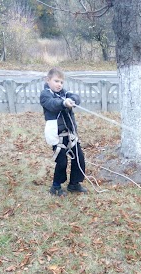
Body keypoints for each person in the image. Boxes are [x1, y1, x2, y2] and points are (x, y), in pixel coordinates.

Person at [40, 67, 87, 196]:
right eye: (56, 81)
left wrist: (73, 100)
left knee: (79, 158)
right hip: (56, 134)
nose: (59, 84)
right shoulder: (45, 95)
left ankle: (74, 184)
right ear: (48, 80)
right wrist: (63, 103)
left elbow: (75, 97)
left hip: (70, 133)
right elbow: (52, 104)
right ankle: (55, 187)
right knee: (61, 161)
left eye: (61, 82)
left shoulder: (64, 93)